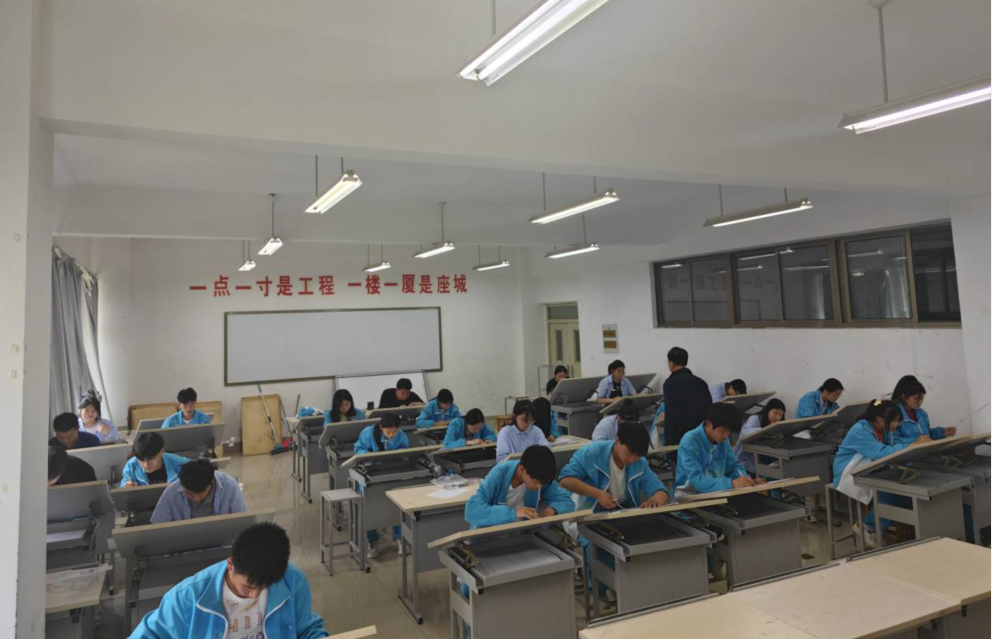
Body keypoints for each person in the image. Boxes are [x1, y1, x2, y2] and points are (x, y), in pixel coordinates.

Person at [129, 522, 327, 639]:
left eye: (265, 586)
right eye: (248, 586)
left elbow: (307, 629)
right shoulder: (187, 598)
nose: (255, 595)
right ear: (230, 565)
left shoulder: (293, 581)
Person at [833, 399, 928, 546]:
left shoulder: (881, 428)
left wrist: (914, 442)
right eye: (894, 421)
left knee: (901, 492)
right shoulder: (860, 430)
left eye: (898, 421)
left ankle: (874, 526)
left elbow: (894, 445)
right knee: (892, 493)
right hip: (850, 470)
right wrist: (912, 445)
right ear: (879, 419)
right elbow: (882, 452)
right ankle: (867, 526)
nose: (896, 425)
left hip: (869, 466)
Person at [559, 422, 670, 511]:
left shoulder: (640, 463)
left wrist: (655, 500)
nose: (632, 460)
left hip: (621, 514)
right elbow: (565, 480)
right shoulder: (592, 452)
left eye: (638, 456)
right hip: (588, 512)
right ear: (617, 440)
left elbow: (661, 490)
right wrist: (598, 494)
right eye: (629, 453)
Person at [465, 445, 575, 528]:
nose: (539, 487)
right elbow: (472, 510)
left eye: (542, 483)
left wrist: (551, 511)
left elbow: (566, 501)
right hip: (487, 536)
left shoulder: (539, 477)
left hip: (519, 535)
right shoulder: (499, 473)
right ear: (522, 469)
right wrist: (514, 513)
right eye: (536, 482)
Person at [673, 403, 765, 499]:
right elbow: (696, 479)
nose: (726, 435)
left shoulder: (724, 441)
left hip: (718, 494)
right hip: (689, 497)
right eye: (722, 431)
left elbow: (733, 466)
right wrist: (732, 483)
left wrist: (747, 480)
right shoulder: (689, 441)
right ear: (709, 423)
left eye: (729, 431)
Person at [354, 413, 408, 558]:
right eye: (388, 431)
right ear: (381, 427)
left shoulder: (401, 435)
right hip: (370, 473)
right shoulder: (367, 433)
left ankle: (400, 538)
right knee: (370, 508)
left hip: (391, 473)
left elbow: (405, 452)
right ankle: (372, 541)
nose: (392, 435)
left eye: (394, 431)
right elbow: (357, 450)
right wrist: (371, 455)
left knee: (398, 506)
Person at [150, 458, 247, 524]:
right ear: (182, 485)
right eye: (189, 493)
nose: (196, 498)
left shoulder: (229, 485)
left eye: (201, 494)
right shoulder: (171, 492)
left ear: (211, 483)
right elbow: (158, 525)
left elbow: (242, 520)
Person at [661, 347, 711, 449]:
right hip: (702, 435)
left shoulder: (670, 383)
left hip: (681, 438)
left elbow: (672, 414)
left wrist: (670, 442)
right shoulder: (701, 382)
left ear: (671, 364)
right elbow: (709, 408)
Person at [891, 375, 955, 445]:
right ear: (904, 397)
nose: (920, 402)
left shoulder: (922, 414)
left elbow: (928, 435)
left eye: (922, 398)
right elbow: (894, 441)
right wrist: (915, 442)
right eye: (916, 399)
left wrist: (943, 432)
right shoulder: (894, 416)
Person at [120, 432, 190, 487]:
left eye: (150, 459)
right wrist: (125, 487)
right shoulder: (131, 466)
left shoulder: (183, 465)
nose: (146, 465)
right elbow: (123, 489)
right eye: (141, 460)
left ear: (162, 451)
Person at [734, 399, 786, 473]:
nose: (777, 417)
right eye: (775, 413)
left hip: (763, 455)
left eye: (780, 415)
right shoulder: (755, 418)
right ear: (768, 410)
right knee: (766, 471)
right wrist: (765, 431)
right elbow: (745, 432)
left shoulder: (776, 425)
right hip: (746, 457)